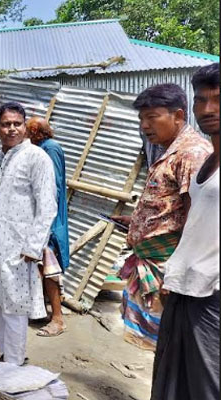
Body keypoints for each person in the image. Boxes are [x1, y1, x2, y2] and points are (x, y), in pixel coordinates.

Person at [112, 83, 212, 351]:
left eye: (152, 117)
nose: (144, 126)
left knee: (176, 343)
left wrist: (176, 272)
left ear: (178, 115)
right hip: (156, 262)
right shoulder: (169, 150)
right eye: (141, 119)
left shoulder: (192, 153)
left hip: (170, 266)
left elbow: (198, 215)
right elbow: (171, 207)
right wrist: (137, 222)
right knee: (163, 344)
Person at [0, 102, 57, 365]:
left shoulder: (37, 158)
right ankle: (6, 354)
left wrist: (33, 246)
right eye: (6, 124)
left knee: (15, 304)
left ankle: (15, 361)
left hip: (18, 247)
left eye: (17, 123)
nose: (12, 128)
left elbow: (47, 205)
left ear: (25, 126)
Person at [151, 62, 220, 400]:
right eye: (201, 100)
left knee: (208, 388)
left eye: (218, 99)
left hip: (213, 293)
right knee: (176, 384)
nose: (208, 109)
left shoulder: (194, 153)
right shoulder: (208, 161)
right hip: (185, 286)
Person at [25, 117, 69, 337]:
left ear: (34, 132)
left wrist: (46, 221)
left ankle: (58, 319)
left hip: (48, 221)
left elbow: (53, 186)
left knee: (48, 266)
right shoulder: (41, 148)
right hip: (40, 219)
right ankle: (40, 311)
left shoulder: (50, 148)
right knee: (38, 266)